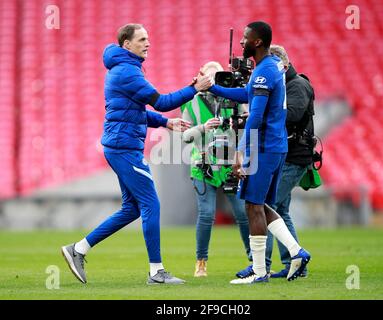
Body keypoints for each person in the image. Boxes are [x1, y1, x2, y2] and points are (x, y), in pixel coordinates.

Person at [61, 23, 212, 285]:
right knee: (151, 204)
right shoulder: (128, 72)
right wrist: (195, 87)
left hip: (120, 145)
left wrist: (165, 123)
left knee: (132, 209)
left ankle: (79, 249)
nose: (148, 43)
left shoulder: (125, 69)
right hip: (124, 148)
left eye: (148, 38)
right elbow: (162, 101)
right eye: (142, 39)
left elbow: (134, 111)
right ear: (126, 44)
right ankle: (156, 272)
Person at [207, 21, 311, 284]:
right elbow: (247, 94)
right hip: (275, 146)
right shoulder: (270, 66)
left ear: (258, 42)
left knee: (253, 205)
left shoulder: (264, 71)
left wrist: (241, 152)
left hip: (264, 147)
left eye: (245, 37)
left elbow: (255, 115)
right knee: (262, 205)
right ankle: (297, 252)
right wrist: (213, 88)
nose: (241, 42)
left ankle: (259, 272)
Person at [235, 45, 315, 279]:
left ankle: (263, 265)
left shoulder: (298, 84)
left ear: (284, 65)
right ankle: (293, 259)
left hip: (291, 154)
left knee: (259, 205)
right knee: (277, 208)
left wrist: (261, 107)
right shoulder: (283, 82)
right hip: (284, 152)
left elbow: (292, 114)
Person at [181, 61, 251, 277]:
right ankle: (201, 262)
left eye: (216, 79)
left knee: (242, 213)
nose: (212, 84)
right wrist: (203, 127)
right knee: (206, 213)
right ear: (200, 77)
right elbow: (185, 137)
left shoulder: (234, 97)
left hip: (232, 165)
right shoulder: (190, 102)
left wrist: (240, 119)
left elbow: (249, 124)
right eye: (208, 79)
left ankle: (255, 260)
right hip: (203, 166)